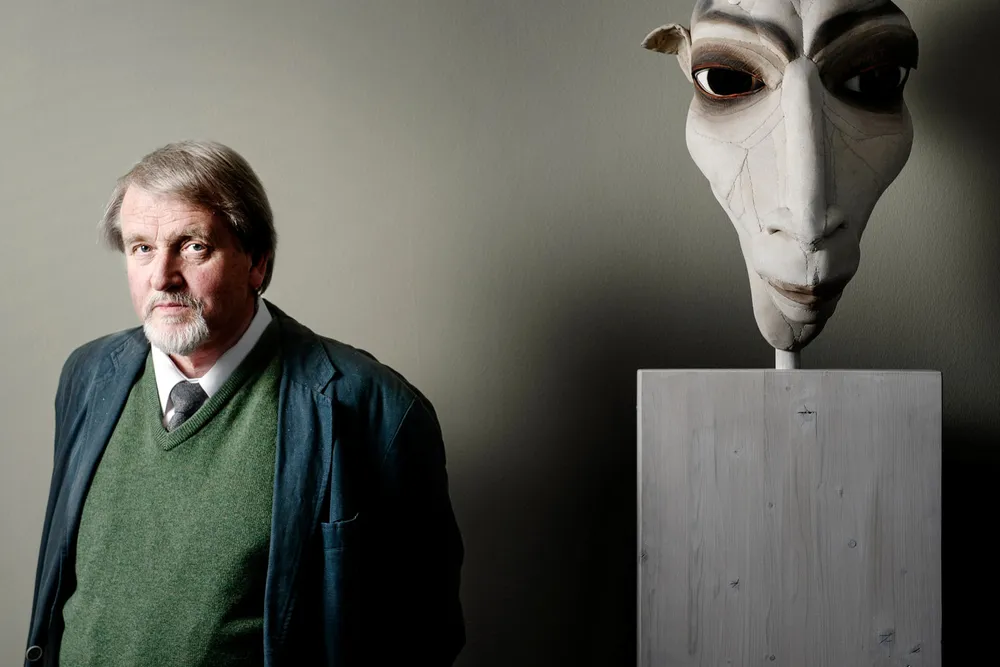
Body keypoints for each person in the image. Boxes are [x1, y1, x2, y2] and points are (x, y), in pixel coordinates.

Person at [24, 140, 465, 666]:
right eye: (141, 248)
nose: (161, 277)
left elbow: (423, 635)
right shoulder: (89, 375)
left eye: (193, 247)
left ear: (257, 262)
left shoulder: (374, 410)